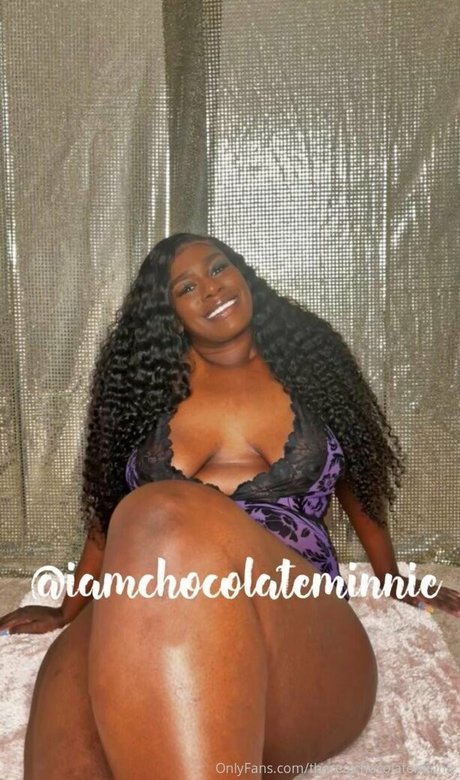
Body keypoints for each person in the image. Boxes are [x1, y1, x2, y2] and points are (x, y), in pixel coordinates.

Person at [1, 233, 459, 779]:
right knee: (75, 703)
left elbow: (359, 486)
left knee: (159, 510)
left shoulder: (313, 363)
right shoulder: (139, 392)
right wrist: (67, 610)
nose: (211, 289)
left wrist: (392, 578)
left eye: (218, 268)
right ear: (168, 313)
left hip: (294, 618)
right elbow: (108, 516)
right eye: (186, 287)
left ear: (243, 273)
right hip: (150, 601)